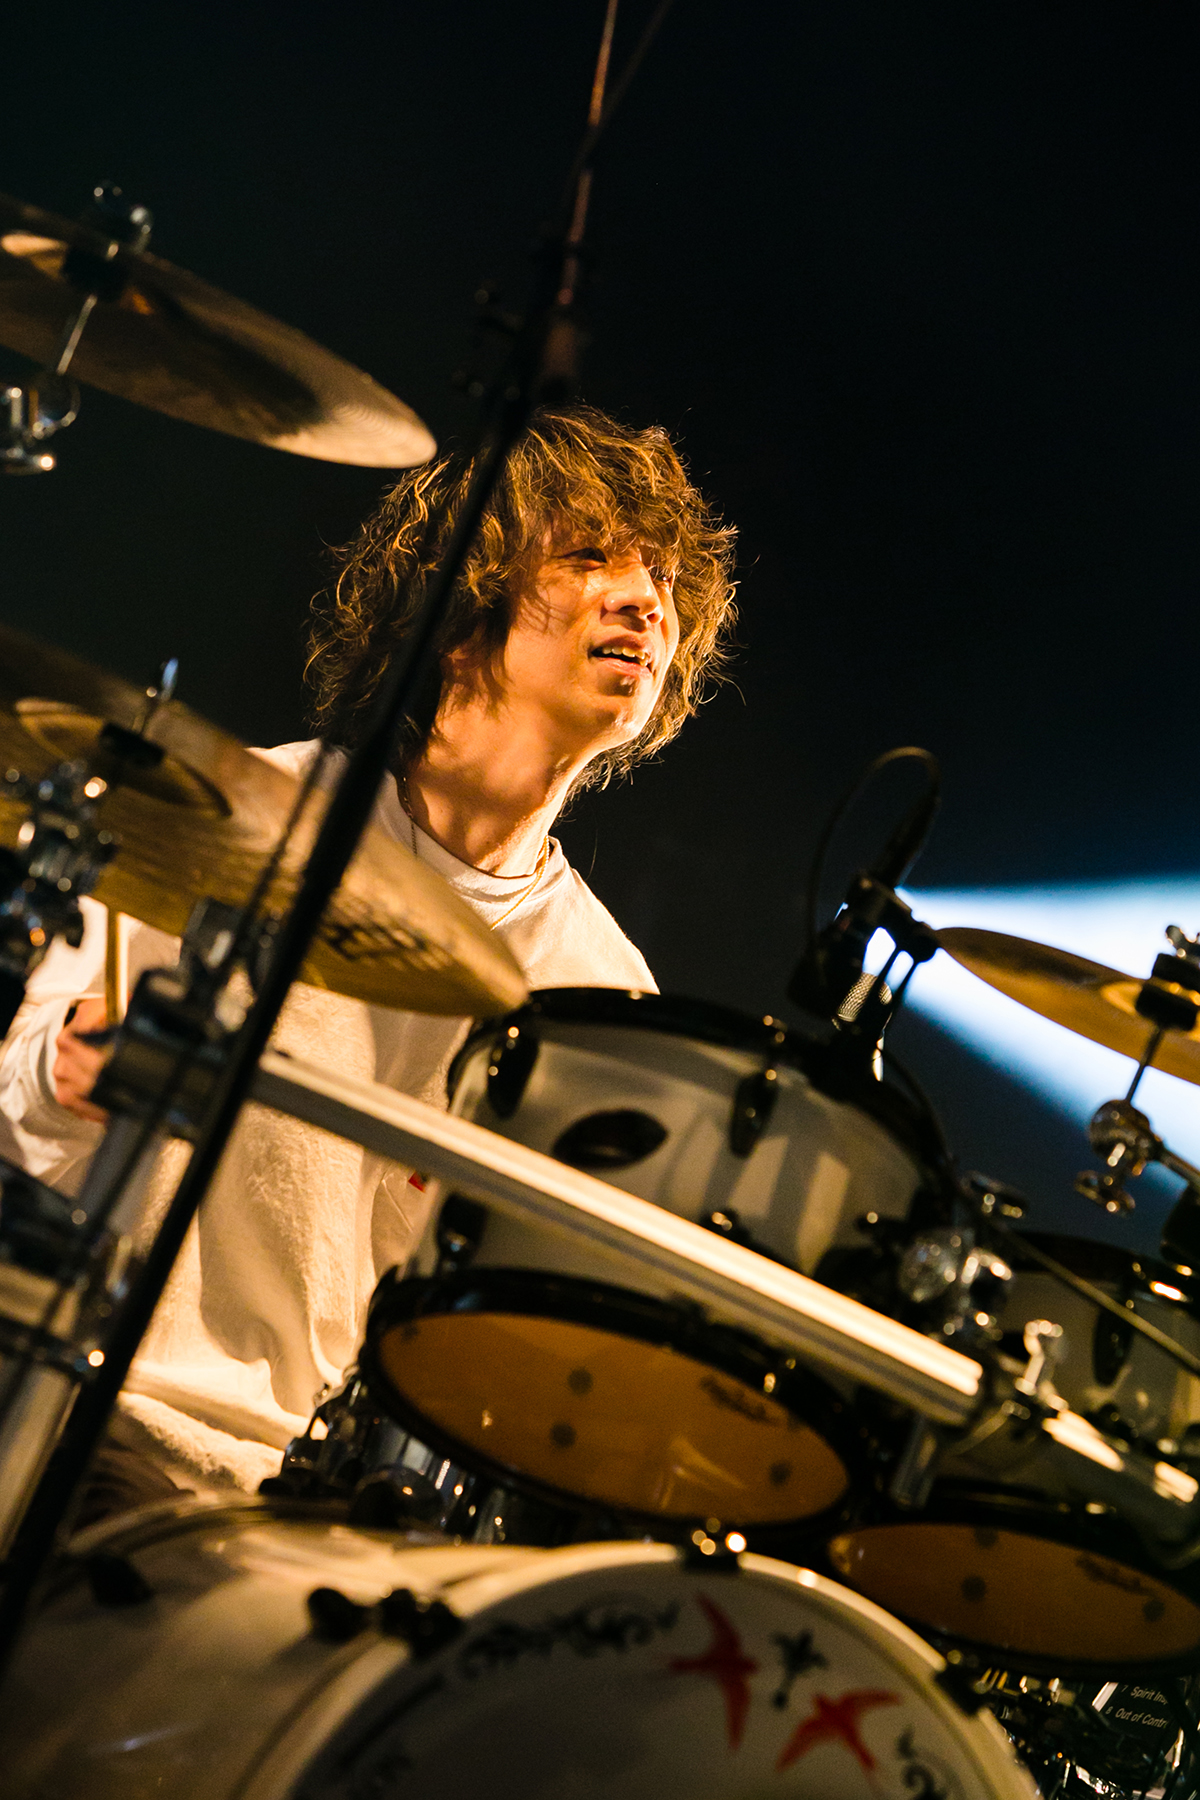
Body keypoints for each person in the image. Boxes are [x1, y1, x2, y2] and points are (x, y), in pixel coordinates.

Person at [0, 404, 737, 1515]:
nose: (647, 599)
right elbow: (14, 1106)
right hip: (96, 1412)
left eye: (665, 577)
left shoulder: (606, 996)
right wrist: (67, 1072)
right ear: (458, 612)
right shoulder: (229, 817)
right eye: (591, 557)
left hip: (315, 1503)